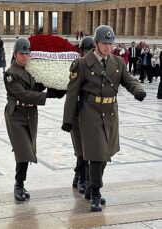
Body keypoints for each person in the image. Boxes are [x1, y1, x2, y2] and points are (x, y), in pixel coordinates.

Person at [62, 25, 146, 212]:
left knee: (105, 154)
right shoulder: (83, 64)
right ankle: (96, 192)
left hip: (110, 112)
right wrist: (67, 120)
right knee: (97, 154)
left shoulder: (117, 62)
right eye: (104, 43)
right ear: (96, 43)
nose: (108, 47)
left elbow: (128, 79)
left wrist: (137, 90)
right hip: (90, 112)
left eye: (110, 43)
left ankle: (92, 187)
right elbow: (72, 92)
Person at [3, 37, 65, 202]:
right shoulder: (10, 73)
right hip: (16, 114)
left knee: (28, 150)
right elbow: (23, 94)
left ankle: (21, 184)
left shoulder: (32, 71)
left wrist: (57, 86)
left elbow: (38, 86)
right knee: (23, 151)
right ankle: (18, 185)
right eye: (21, 54)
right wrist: (48, 96)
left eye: (27, 53)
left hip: (30, 115)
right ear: (15, 54)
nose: (24, 56)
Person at [71, 36, 95, 195]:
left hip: (91, 113)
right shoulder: (77, 65)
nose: (88, 54)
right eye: (86, 51)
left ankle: (79, 176)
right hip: (77, 112)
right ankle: (82, 178)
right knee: (80, 149)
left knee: (89, 149)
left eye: (90, 51)